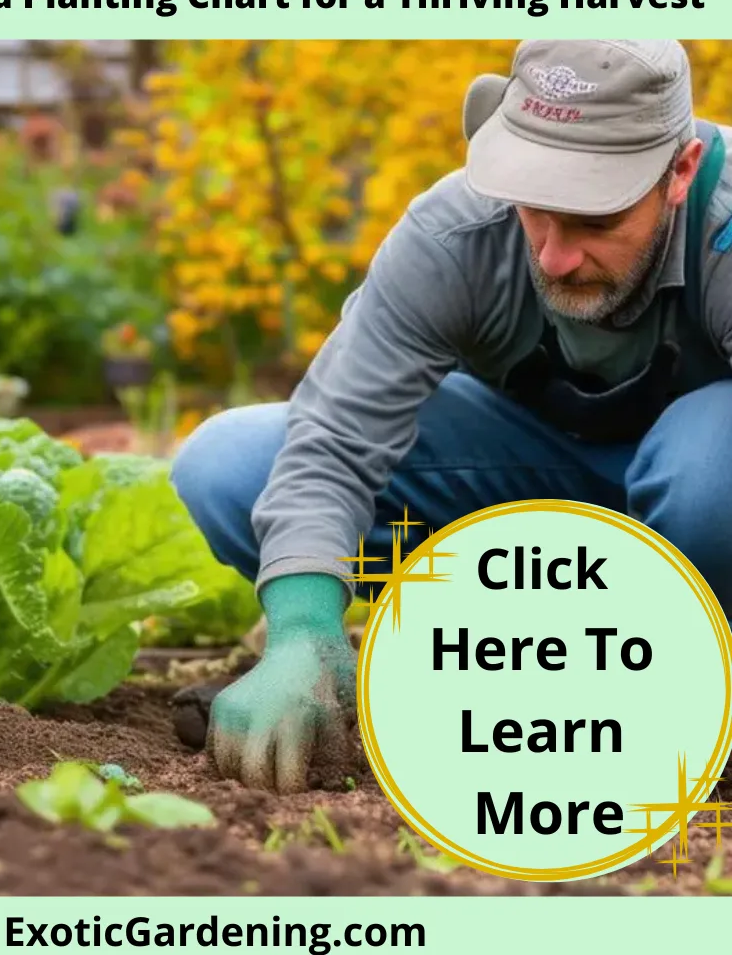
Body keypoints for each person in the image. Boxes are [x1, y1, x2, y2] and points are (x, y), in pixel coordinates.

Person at [169, 38, 732, 795]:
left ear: (681, 170)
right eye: (537, 210)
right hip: (543, 481)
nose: (555, 257)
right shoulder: (456, 235)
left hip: (705, 505)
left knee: (713, 472)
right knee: (232, 466)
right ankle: (508, 665)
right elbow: (334, 442)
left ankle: (678, 691)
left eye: (594, 221)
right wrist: (303, 628)